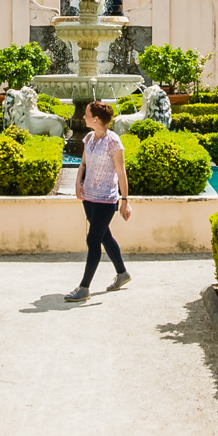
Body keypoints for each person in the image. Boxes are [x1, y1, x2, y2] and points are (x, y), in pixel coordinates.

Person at [66, 100, 131, 302]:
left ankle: (84, 287)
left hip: (106, 199)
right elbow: (83, 164)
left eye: (86, 114)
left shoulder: (113, 141)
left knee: (93, 240)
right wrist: (78, 183)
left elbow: (121, 173)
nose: (83, 117)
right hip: (89, 197)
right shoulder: (88, 138)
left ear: (95, 119)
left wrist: (125, 200)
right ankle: (122, 273)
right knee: (105, 237)